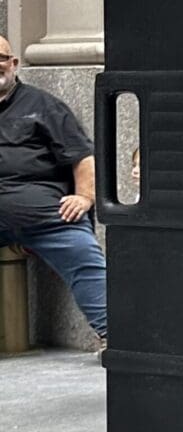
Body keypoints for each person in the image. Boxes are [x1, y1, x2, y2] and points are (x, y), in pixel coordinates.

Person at [0, 37, 108, 352]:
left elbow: (82, 156)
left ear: (14, 63)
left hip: (48, 217)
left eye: (0, 57)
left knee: (84, 260)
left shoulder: (43, 105)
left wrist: (84, 198)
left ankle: (114, 335)